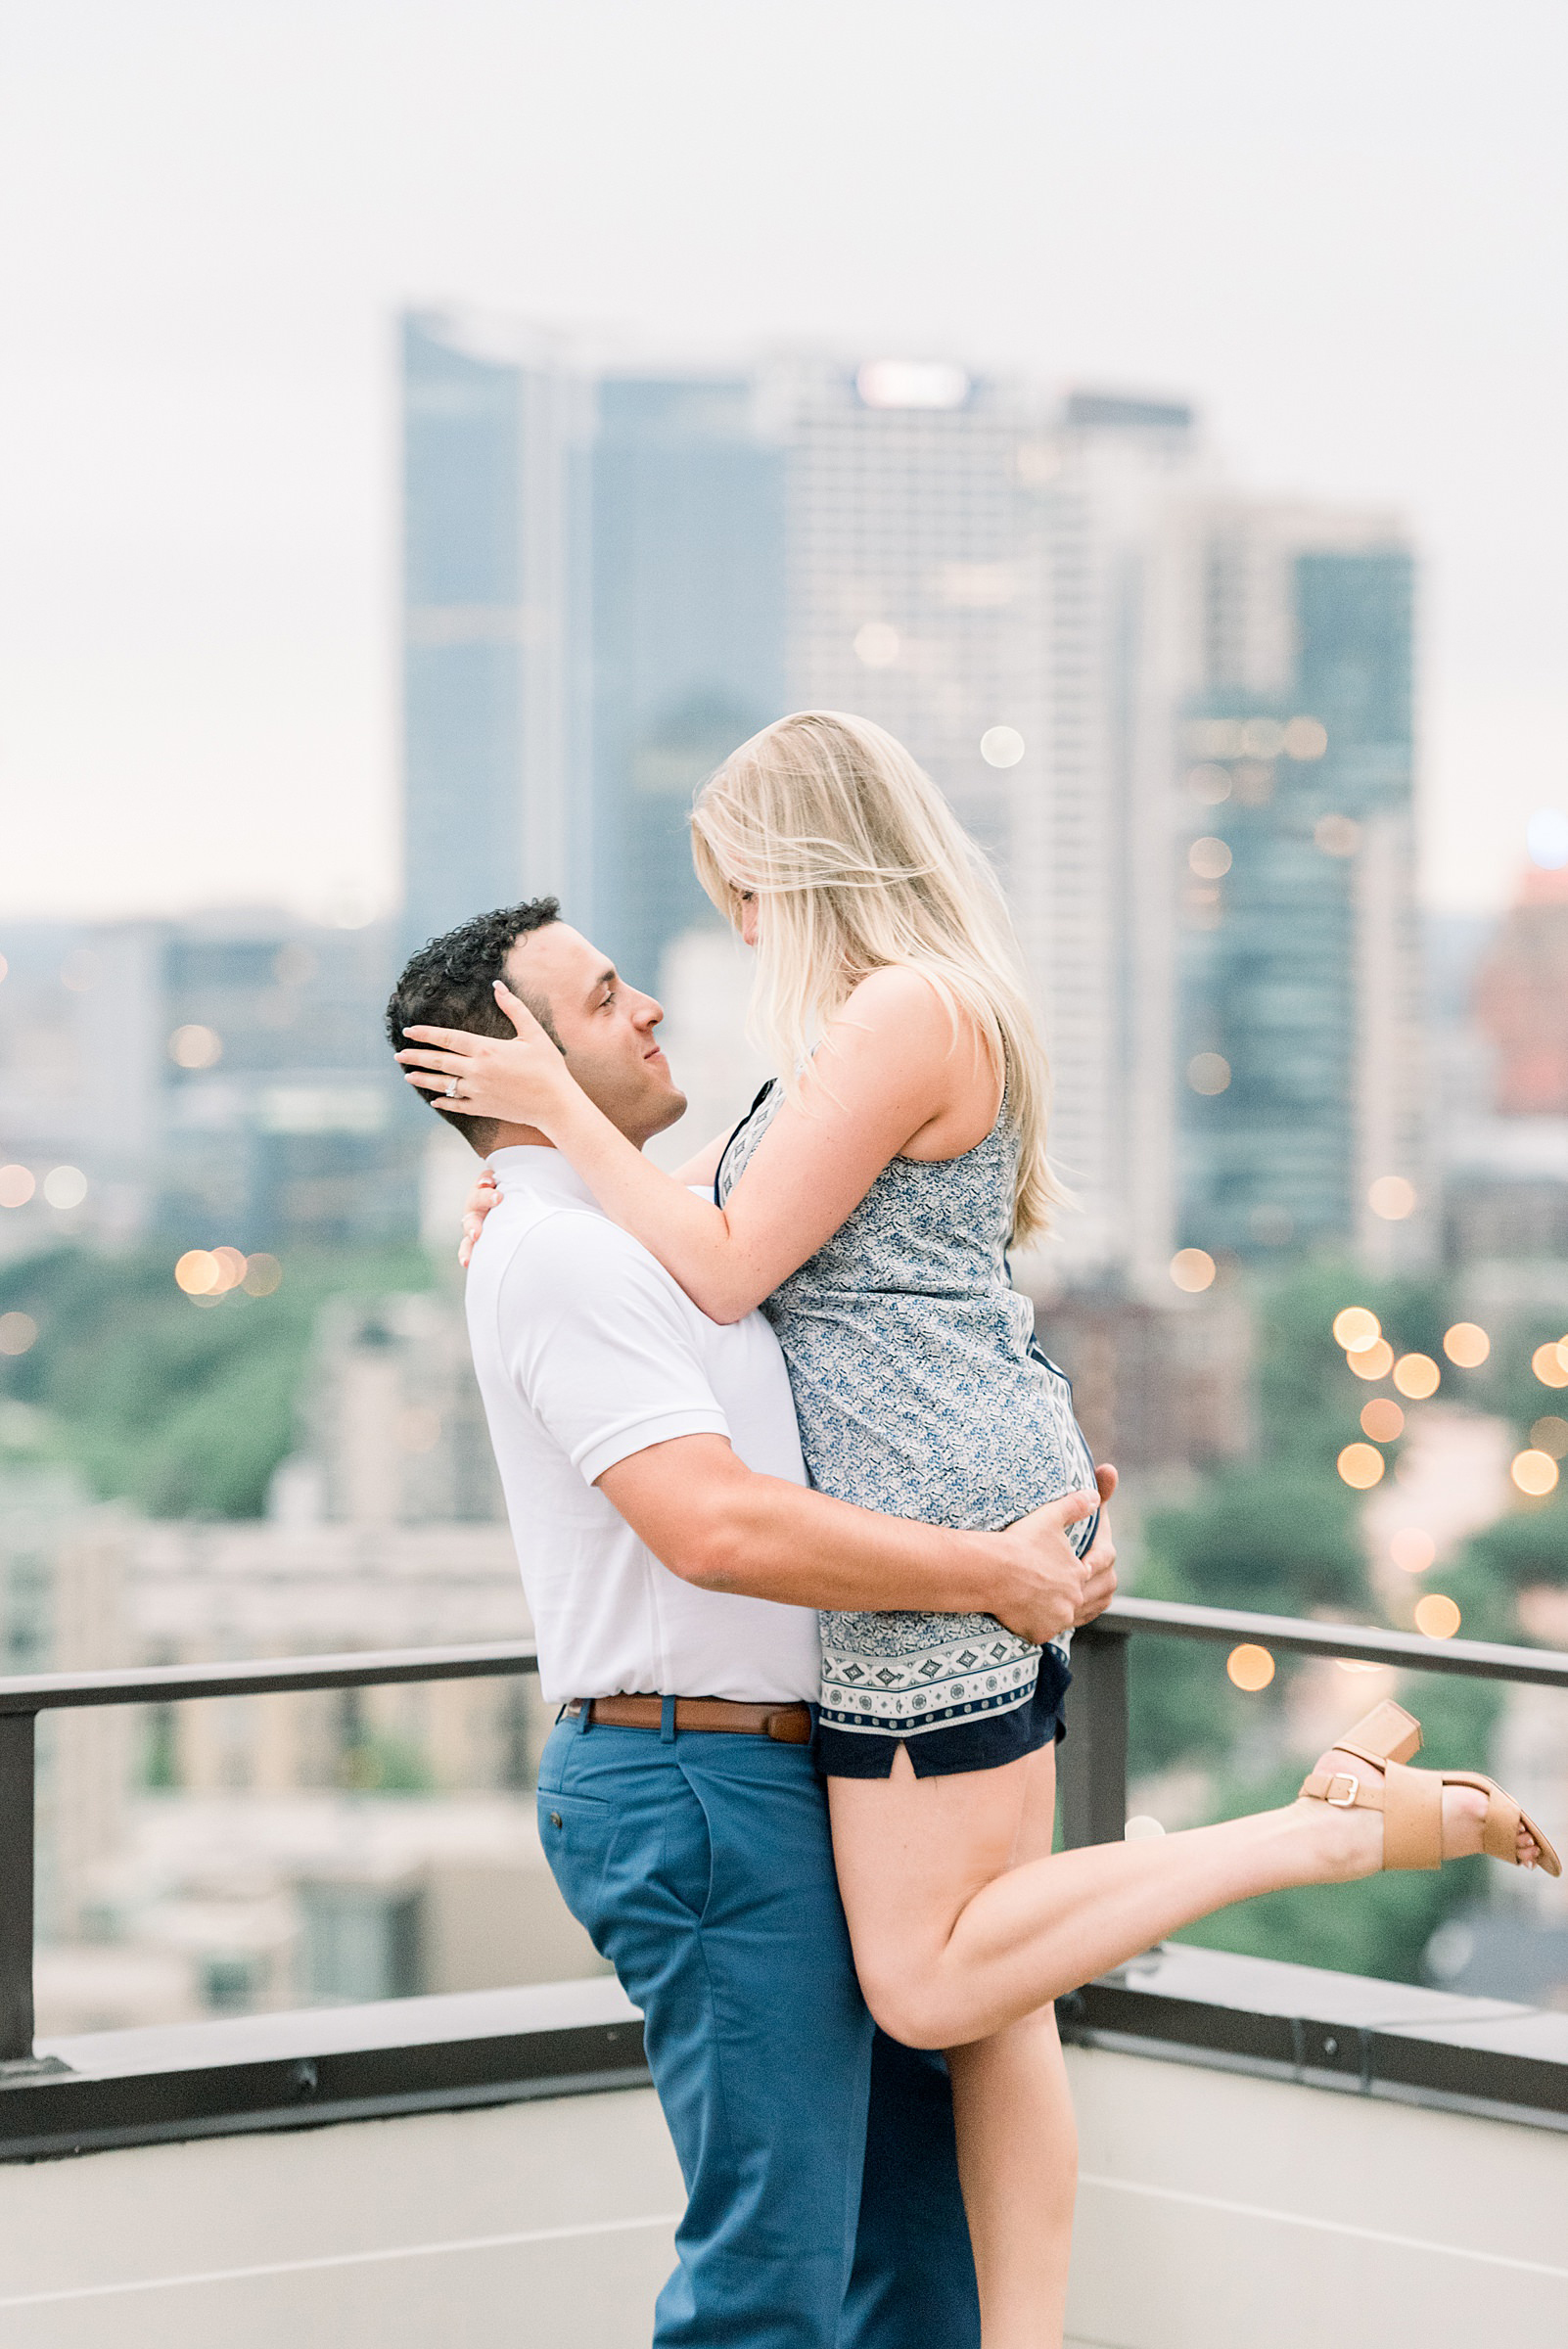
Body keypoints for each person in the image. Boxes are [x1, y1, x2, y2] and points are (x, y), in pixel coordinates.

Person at [403, 713, 1558, 2349]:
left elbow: (733, 1268)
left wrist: (564, 1140)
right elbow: (728, 1269)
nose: (720, 942)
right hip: (949, 1521)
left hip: (935, 1532)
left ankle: (1326, 1828)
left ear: (802, 872)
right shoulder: (867, 1036)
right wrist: (534, 1194)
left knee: (937, 1988)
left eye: (737, 893)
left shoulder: (900, 1012)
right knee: (992, 2007)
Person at [386, 898, 1121, 2349]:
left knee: (912, 2247)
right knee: (771, 2274)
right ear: (510, 1059)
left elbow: (904, 1345)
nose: (652, 1005)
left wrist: (1036, 1521)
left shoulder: (651, 1240)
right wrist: (983, 1571)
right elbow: (712, 1526)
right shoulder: (565, 1260)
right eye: (603, 999)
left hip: (819, 1770)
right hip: (698, 1782)